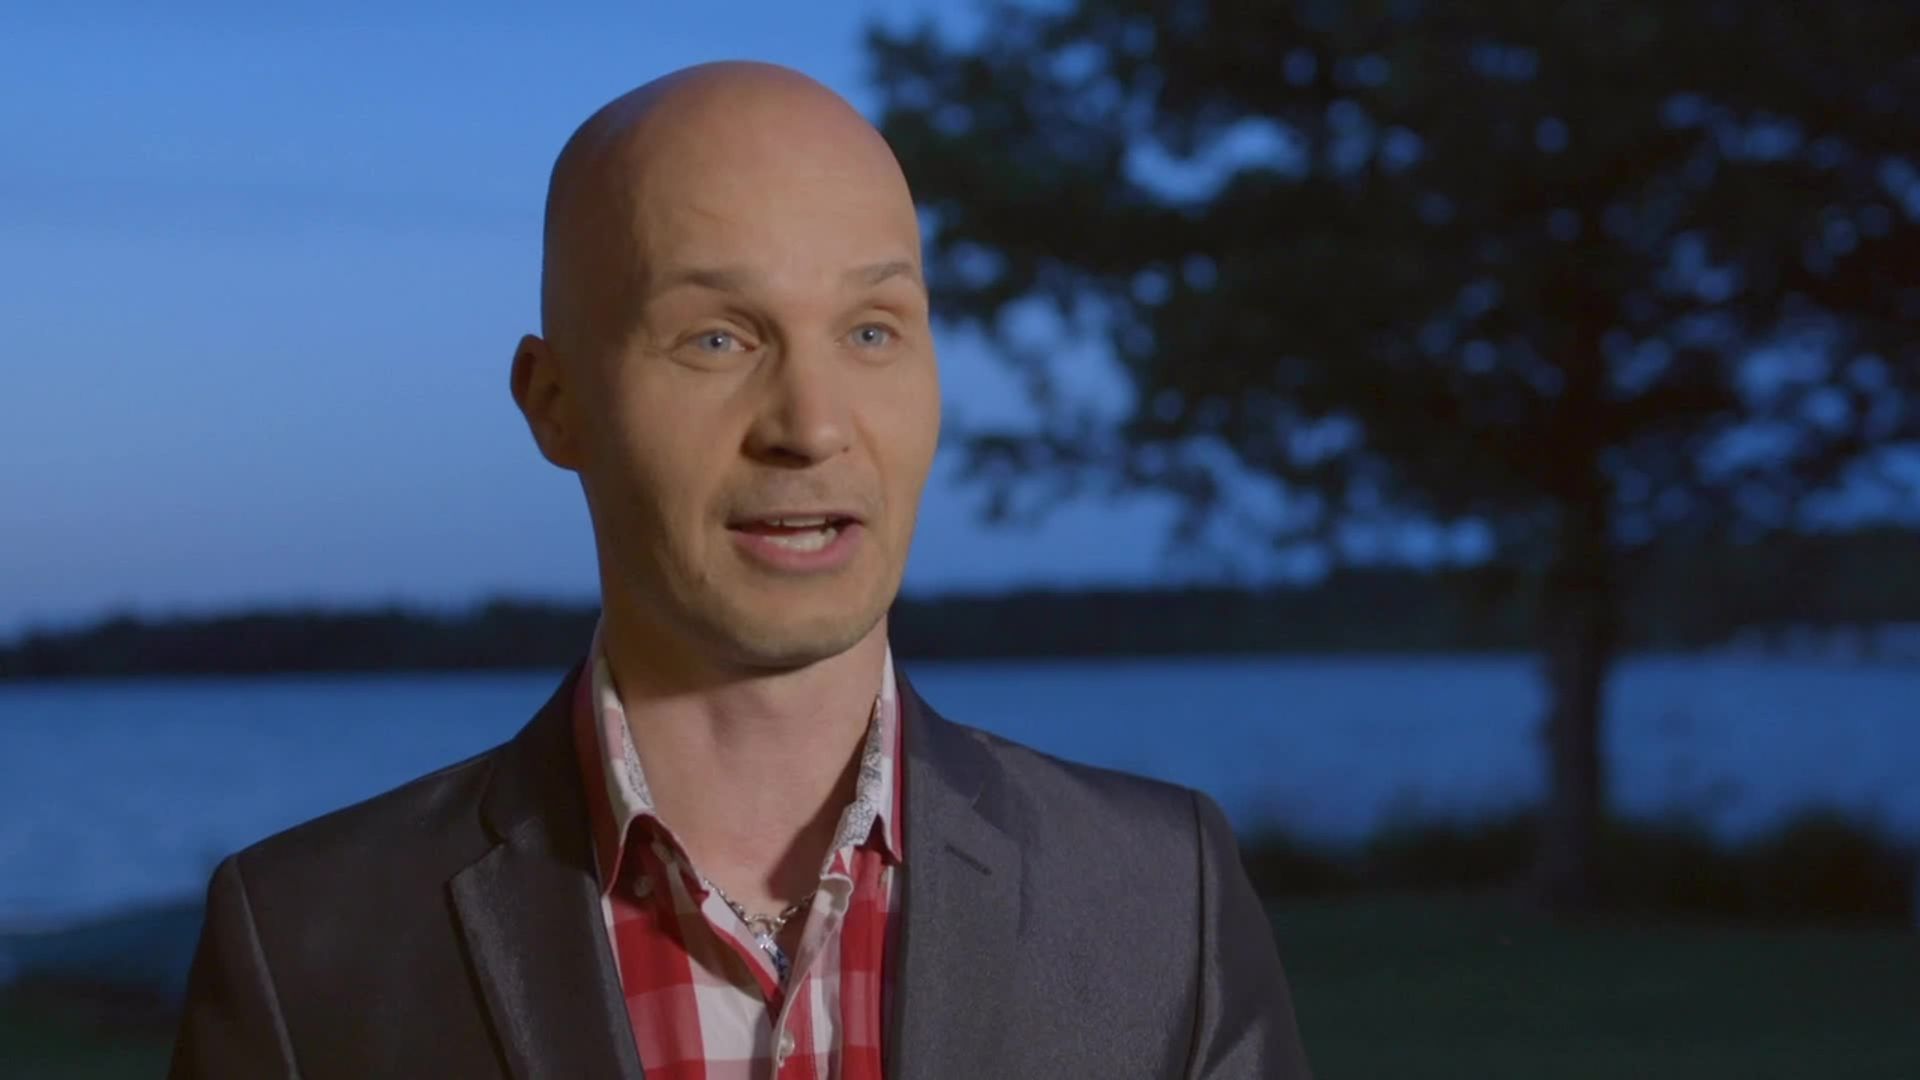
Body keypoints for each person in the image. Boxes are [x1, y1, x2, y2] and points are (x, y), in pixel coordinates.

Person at [169, 61, 1311, 1079]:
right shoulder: (310, 948)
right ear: (555, 403)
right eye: (718, 339)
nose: (812, 426)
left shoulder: (1161, 902)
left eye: (872, 331)